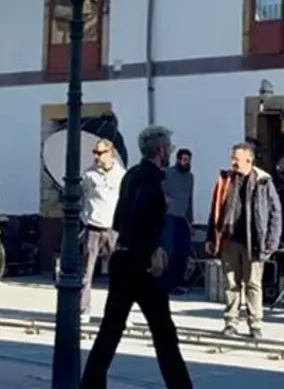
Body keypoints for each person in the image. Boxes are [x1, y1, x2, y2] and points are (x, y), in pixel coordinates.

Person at [81, 125, 192, 389]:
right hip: (142, 265)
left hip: (123, 258)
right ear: (162, 151)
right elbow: (139, 215)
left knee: (111, 330)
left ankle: (90, 384)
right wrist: (153, 248)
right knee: (164, 333)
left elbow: (119, 219)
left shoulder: (130, 174)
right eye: (169, 149)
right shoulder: (153, 179)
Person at [205, 142, 282, 339]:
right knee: (231, 284)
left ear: (249, 159)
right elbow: (215, 209)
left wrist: (272, 242)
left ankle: (255, 324)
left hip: (254, 241)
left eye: (236, 159)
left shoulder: (263, 181)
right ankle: (231, 322)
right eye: (232, 158)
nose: (233, 162)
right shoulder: (226, 179)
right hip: (229, 240)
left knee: (253, 284)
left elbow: (275, 212)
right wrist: (210, 237)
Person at [79, 138, 125, 323]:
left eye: (100, 153)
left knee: (120, 273)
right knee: (86, 272)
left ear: (110, 152)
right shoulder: (89, 175)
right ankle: (84, 310)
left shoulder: (121, 174)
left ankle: (119, 311)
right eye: (94, 152)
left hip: (114, 228)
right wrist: (85, 217)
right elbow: (83, 196)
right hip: (93, 226)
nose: (96, 156)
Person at [163, 148, 195, 295]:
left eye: (188, 160)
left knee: (182, 252)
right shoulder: (168, 173)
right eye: (184, 160)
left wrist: (191, 222)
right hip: (169, 216)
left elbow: (190, 200)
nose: (186, 163)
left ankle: (177, 282)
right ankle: (167, 283)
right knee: (170, 250)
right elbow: (163, 193)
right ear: (178, 160)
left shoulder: (190, 177)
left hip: (183, 218)